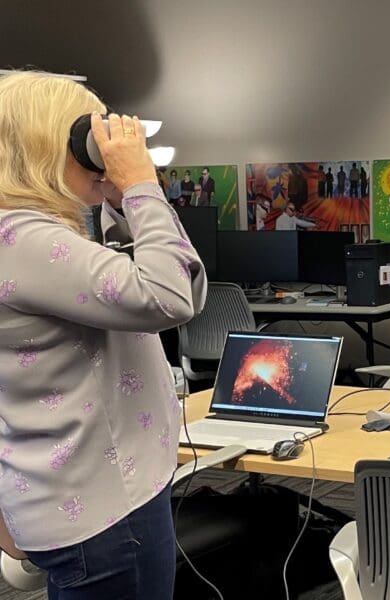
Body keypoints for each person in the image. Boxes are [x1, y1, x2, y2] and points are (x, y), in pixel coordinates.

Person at [0, 72, 207, 598]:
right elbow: (169, 298)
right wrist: (142, 186)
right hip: (108, 510)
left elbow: (181, 284)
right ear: (49, 145)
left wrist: (119, 204)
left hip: (84, 493)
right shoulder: (25, 241)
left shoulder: (27, 239)